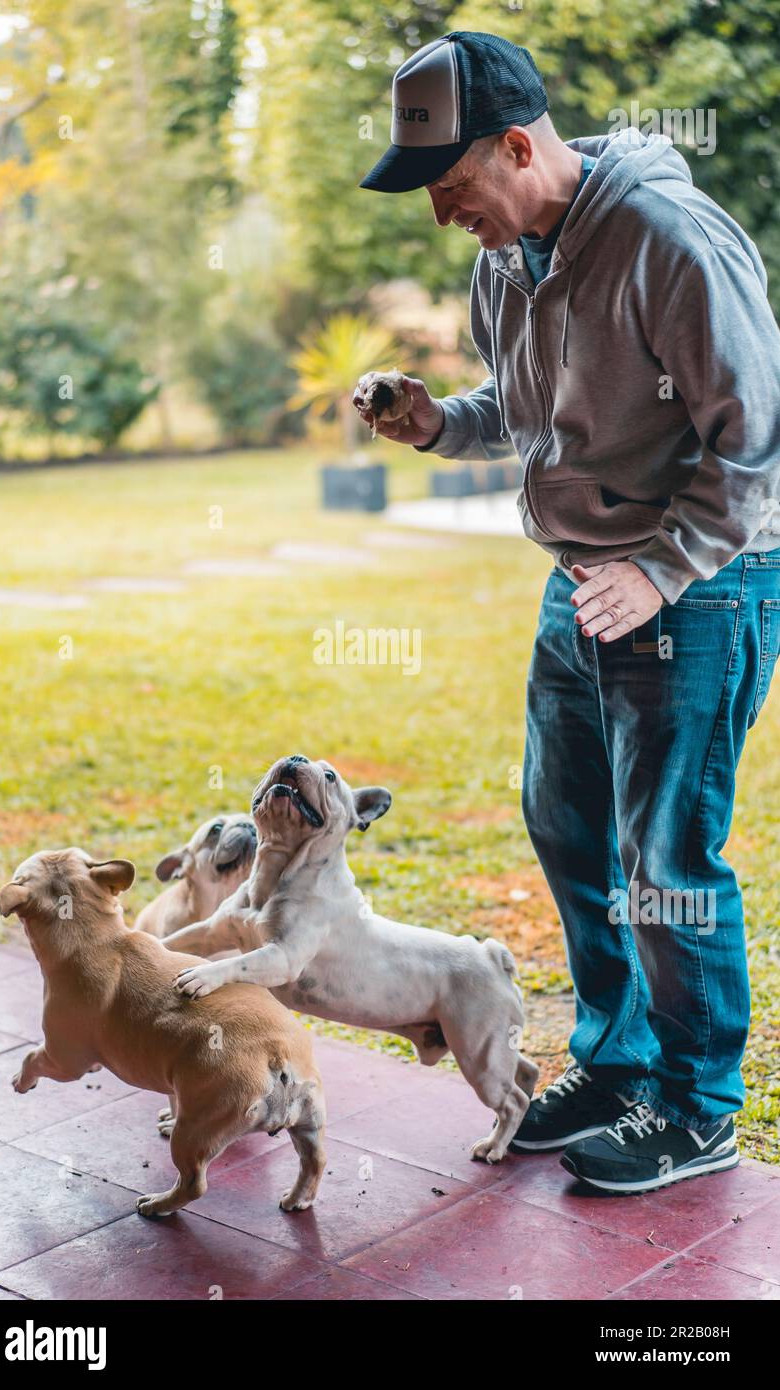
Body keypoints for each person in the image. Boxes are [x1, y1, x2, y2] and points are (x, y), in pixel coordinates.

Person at [354, 30, 780, 1193]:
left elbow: (757, 433)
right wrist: (438, 420)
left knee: (663, 856)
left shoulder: (667, 241)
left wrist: (665, 563)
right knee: (569, 827)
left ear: (518, 144)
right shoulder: (508, 259)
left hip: (702, 582)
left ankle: (696, 1110)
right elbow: (525, 407)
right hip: (581, 582)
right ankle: (620, 1060)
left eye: (453, 189)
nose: (446, 217)